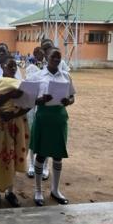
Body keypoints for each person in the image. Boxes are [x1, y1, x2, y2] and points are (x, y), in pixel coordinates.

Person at [29, 48, 75, 206]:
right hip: (43, 117)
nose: (56, 59)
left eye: (58, 57)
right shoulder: (37, 76)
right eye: (53, 57)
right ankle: (38, 190)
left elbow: (72, 97)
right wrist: (40, 100)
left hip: (59, 119)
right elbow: (30, 99)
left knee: (58, 155)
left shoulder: (66, 76)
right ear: (46, 57)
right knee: (41, 155)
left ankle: (55, 190)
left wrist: (68, 101)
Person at [0, 56, 30, 209]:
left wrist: (13, 115)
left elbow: (29, 104)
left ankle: (10, 192)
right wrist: (10, 95)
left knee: (14, 155)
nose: (12, 68)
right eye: (9, 65)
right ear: (2, 66)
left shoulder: (21, 83)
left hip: (16, 122)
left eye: (14, 66)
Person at [25, 46, 50, 180]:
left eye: (42, 53)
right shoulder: (31, 66)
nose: (40, 55)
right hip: (34, 105)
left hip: (46, 106)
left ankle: (46, 165)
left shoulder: (49, 67)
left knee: (46, 137)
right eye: (38, 54)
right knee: (33, 135)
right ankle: (31, 164)